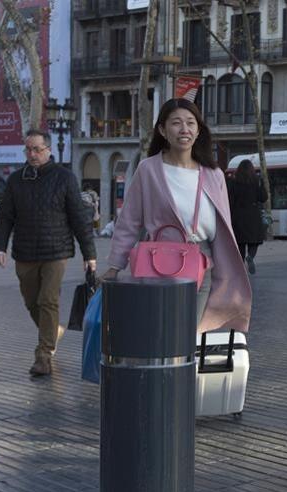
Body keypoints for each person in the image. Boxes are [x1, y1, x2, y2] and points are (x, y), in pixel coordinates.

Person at [102, 98, 251, 333]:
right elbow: (129, 222)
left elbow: (223, 227)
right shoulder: (148, 170)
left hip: (203, 264)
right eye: (176, 123)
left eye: (191, 123)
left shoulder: (214, 174)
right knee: (158, 334)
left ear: (198, 130)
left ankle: (184, 371)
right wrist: (114, 265)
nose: (185, 129)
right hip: (157, 264)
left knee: (187, 336)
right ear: (162, 130)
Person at [0, 130, 98, 376]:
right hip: (25, 251)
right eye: (28, 149)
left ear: (48, 150)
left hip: (56, 250)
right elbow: (5, 216)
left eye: (37, 149)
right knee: (32, 302)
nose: (32, 154)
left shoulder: (64, 178)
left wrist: (89, 254)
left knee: (48, 300)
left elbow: (79, 219)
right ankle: (53, 332)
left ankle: (44, 355)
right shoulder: (16, 180)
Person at [227, 159, 267, 274]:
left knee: (240, 243)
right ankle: (250, 257)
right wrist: (263, 184)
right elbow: (263, 198)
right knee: (254, 241)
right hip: (253, 216)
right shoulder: (256, 182)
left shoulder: (233, 183)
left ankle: (240, 266)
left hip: (238, 217)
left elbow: (230, 201)